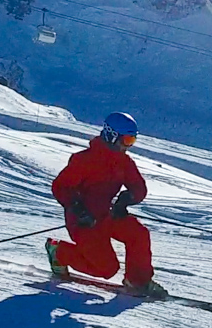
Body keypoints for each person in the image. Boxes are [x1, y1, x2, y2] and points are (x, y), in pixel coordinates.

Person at [45, 112, 167, 299]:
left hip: (108, 215)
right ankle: (59, 252)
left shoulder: (123, 162)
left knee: (138, 233)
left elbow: (139, 187)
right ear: (112, 135)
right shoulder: (84, 160)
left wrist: (126, 199)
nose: (128, 146)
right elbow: (61, 187)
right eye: (126, 140)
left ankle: (138, 281)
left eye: (132, 141)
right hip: (84, 221)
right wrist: (78, 209)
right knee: (107, 269)